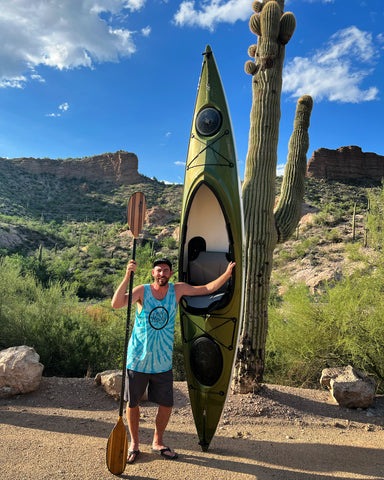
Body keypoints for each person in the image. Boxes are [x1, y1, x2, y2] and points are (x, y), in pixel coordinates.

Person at [111, 257, 235, 464]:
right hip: (138, 359)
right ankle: (134, 444)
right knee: (133, 403)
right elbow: (116, 303)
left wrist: (227, 274)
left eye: (166, 270)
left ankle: (157, 442)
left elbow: (206, 289)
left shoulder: (177, 290)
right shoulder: (142, 290)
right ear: (153, 273)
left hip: (162, 361)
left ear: (170, 273)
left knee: (166, 404)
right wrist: (127, 276)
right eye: (158, 270)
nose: (162, 273)